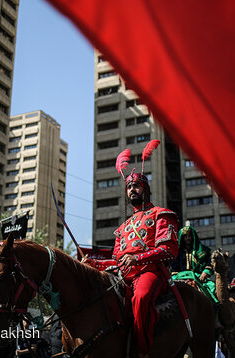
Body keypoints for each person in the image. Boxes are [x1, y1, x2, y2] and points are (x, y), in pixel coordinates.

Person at [84, 141, 180, 357]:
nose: (132, 190)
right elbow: (118, 261)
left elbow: (169, 250)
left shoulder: (161, 214)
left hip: (150, 272)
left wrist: (138, 259)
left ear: (145, 188)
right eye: (129, 187)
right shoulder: (122, 228)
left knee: (142, 297)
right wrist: (94, 263)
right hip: (124, 276)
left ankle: (142, 351)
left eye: (136, 186)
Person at [171, 226, 218, 303]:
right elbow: (174, 269)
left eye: (189, 235)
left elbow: (209, 262)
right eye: (185, 236)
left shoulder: (202, 250)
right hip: (180, 276)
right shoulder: (177, 252)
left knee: (213, 288)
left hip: (199, 277)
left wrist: (205, 272)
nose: (188, 238)